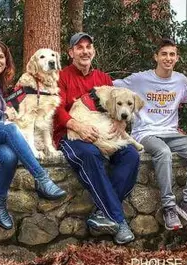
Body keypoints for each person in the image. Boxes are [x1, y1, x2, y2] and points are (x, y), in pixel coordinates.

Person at [0, 39, 66, 230]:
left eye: (1, 57)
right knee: (8, 128)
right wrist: (5, 115)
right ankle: (42, 179)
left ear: (6, 61)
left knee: (9, 156)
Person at [53, 32, 139, 244]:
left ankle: (103, 213)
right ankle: (119, 220)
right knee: (90, 155)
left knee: (131, 155)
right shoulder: (61, 77)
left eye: (88, 47)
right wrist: (77, 126)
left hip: (106, 134)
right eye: (79, 47)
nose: (84, 51)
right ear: (71, 52)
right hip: (71, 135)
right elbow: (54, 107)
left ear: (94, 51)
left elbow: (120, 105)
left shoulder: (103, 78)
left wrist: (121, 121)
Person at [114, 38, 187, 231]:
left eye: (172, 54)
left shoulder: (180, 80)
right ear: (156, 56)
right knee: (163, 152)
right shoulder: (140, 79)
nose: (168, 58)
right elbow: (111, 85)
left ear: (177, 58)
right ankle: (169, 207)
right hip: (146, 133)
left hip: (171, 132)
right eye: (164, 54)